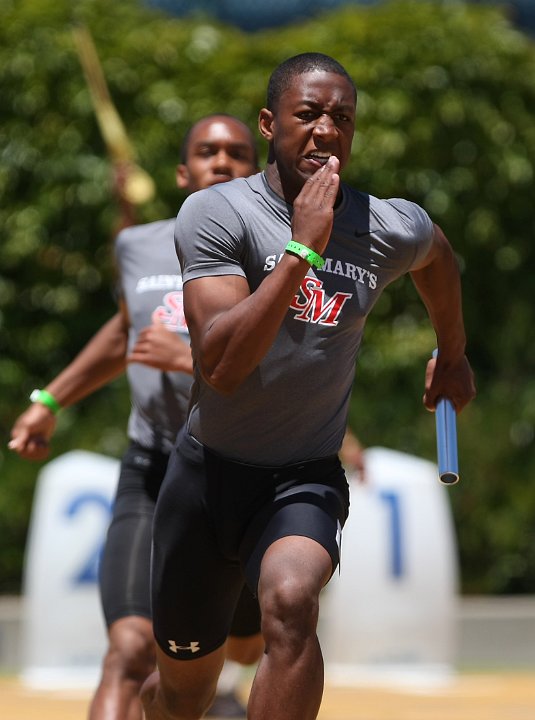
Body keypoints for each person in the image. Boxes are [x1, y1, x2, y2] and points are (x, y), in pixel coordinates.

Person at [140, 53, 476, 720]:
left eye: (341, 118)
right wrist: (302, 251)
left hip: (303, 477)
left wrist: (453, 353)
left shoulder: (385, 225)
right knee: (183, 693)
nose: (325, 129)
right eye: (307, 114)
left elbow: (436, 256)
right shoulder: (215, 214)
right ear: (268, 123)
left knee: (292, 603)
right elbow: (224, 367)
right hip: (206, 478)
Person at [8, 114, 266, 719]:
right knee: (128, 649)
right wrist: (50, 400)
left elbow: (297, 366)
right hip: (153, 470)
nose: (221, 162)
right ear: (183, 171)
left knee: (249, 645)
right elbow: (125, 329)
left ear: (257, 172)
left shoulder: (277, 251)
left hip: (243, 472)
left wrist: (190, 360)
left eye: (237, 153)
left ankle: (214, 693)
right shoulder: (137, 244)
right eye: (207, 151)